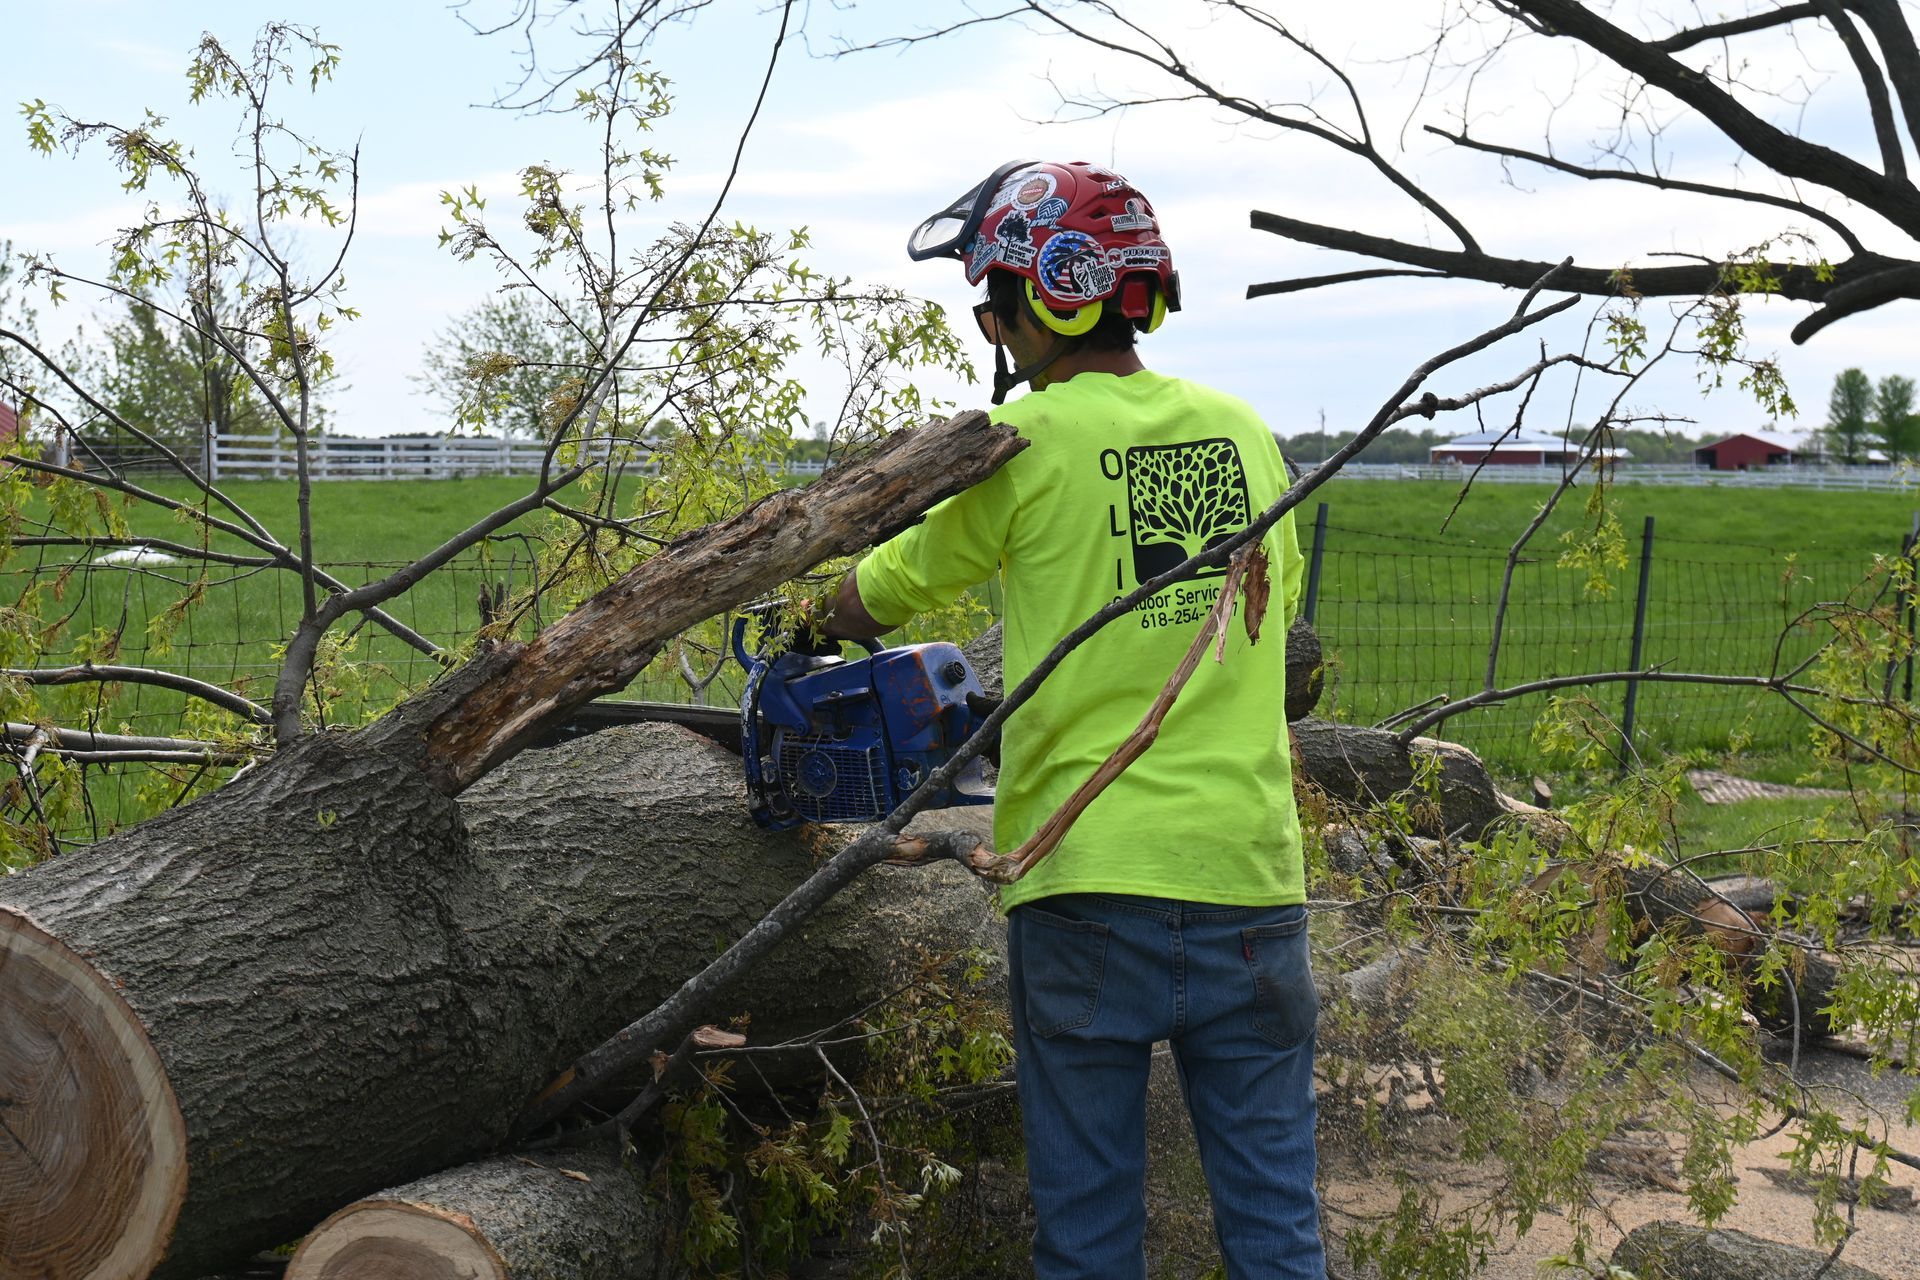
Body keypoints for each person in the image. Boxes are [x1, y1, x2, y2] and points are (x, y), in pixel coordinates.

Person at [823, 160, 1325, 1280]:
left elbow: (885, 588)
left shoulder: (1024, 444)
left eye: (989, 303)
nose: (990, 326)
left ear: (1039, 301)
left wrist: (815, 608)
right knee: (1277, 1226)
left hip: (1085, 880)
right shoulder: (1244, 434)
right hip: (1250, 880)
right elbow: (1266, 618)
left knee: (1090, 1237)